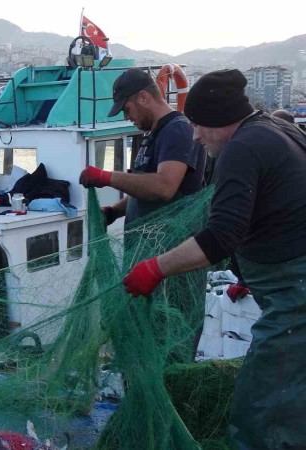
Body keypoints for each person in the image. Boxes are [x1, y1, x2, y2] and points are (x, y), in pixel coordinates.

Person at [122, 69, 306, 449]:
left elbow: (220, 236)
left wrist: (155, 268)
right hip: (289, 284)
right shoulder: (277, 129)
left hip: (295, 294)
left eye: (199, 125)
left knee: (263, 403)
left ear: (220, 120)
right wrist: (245, 274)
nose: (195, 136)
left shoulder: (242, 148)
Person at [79, 68, 206, 226]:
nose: (126, 117)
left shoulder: (178, 130)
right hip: (148, 240)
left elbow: (164, 187)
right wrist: (114, 211)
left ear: (143, 97)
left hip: (172, 240)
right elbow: (144, 189)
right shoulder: (154, 133)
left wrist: (106, 177)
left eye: (127, 109)